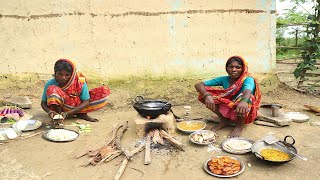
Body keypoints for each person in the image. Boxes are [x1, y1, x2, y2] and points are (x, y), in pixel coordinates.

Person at [194, 56, 261, 138]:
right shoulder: (224, 79)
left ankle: (239, 126)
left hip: (243, 106)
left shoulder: (247, 79)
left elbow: (247, 90)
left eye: (238, 67)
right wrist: (207, 95)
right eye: (231, 67)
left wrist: (244, 101)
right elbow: (198, 84)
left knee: (248, 98)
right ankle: (224, 120)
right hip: (230, 104)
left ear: (243, 69)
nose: (234, 70)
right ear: (226, 68)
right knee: (203, 95)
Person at [41, 59, 110, 123]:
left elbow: (86, 101)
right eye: (60, 74)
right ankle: (59, 115)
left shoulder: (79, 82)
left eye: (67, 75)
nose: (63, 77)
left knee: (103, 92)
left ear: (72, 75)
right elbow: (43, 103)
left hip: (75, 106)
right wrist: (50, 112)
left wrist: (67, 113)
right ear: (55, 73)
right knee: (52, 89)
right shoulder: (50, 83)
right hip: (58, 109)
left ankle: (81, 114)